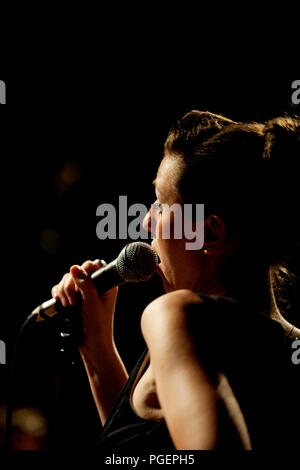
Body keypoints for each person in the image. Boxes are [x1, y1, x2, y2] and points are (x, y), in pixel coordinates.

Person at [51, 111, 300, 450]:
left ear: (208, 233)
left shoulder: (176, 315)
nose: (146, 223)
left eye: (161, 204)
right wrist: (97, 345)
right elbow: (147, 449)